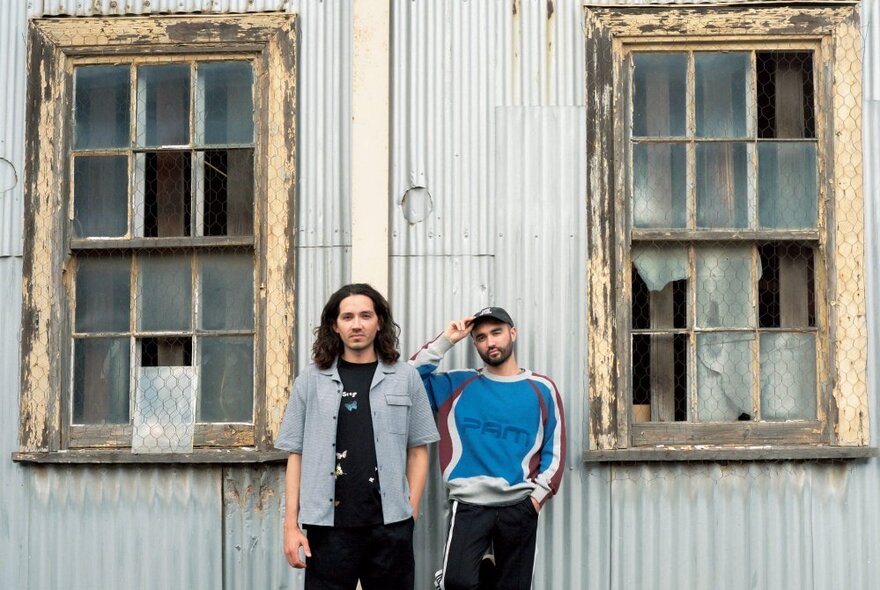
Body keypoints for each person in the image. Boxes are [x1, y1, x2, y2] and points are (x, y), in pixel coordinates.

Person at [276, 283, 440, 590]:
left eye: (365, 315)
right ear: (335, 326)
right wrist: (290, 526)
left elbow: (418, 451)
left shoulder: (406, 378)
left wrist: (410, 513)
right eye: (347, 316)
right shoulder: (310, 381)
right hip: (328, 530)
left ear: (379, 323)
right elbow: (295, 454)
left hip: (391, 528)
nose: (357, 324)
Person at [410, 307, 566, 590]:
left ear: (512, 333)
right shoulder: (457, 384)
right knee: (456, 582)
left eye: (497, 332)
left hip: (520, 505)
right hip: (469, 504)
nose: (490, 342)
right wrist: (447, 339)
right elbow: (407, 381)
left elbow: (554, 449)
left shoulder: (541, 388)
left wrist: (536, 499)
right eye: (481, 337)